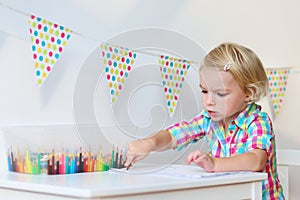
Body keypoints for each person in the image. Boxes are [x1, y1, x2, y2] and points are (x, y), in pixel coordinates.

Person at [124, 42, 284, 199]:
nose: (209, 101)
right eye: (204, 91)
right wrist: (150, 143)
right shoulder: (209, 119)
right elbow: (175, 135)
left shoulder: (257, 120)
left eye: (221, 94)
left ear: (248, 93)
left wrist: (214, 164)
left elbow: (256, 160)